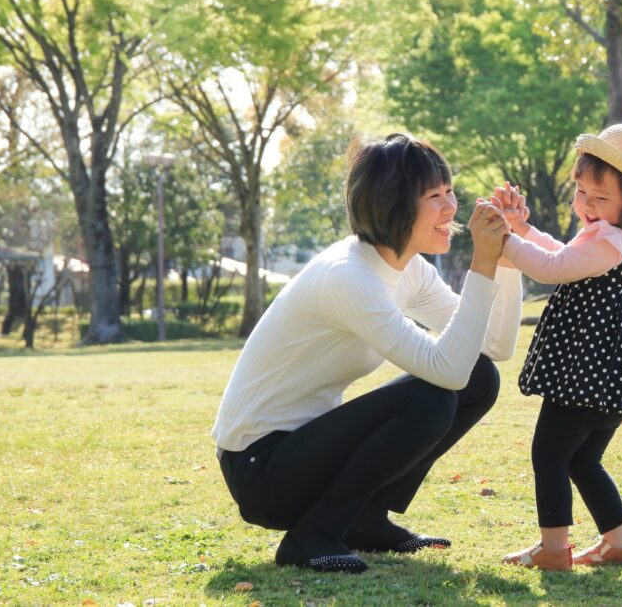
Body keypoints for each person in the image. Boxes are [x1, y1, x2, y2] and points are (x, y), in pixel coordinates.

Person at [211, 133, 522, 573]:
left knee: (481, 376)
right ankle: (311, 536)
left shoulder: (407, 268)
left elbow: (493, 346)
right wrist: (482, 263)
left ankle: (364, 519)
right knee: (430, 398)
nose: (452, 207)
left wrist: (505, 259)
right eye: (434, 196)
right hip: (261, 469)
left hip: (304, 452)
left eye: (449, 191)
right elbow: (446, 371)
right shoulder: (348, 276)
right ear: (392, 205)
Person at [496, 123, 622, 571]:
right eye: (581, 193)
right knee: (584, 460)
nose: (587, 206)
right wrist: (524, 230)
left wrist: (505, 239)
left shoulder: (610, 240)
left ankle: (553, 550)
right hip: (609, 382)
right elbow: (562, 251)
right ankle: (621, 543)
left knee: (549, 455)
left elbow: (553, 268)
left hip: (584, 379)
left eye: (600, 197)